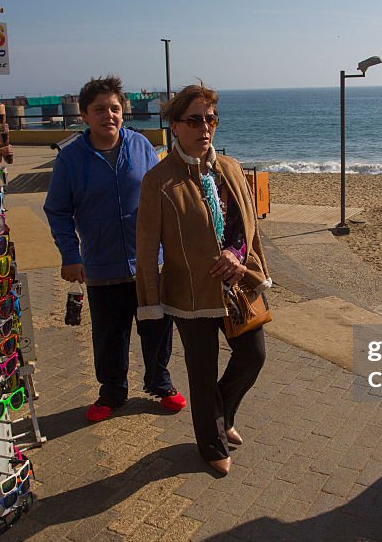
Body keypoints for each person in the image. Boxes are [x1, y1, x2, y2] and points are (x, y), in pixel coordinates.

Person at [135, 84, 271, 476]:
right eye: (194, 120)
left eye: (210, 119)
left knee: (253, 356)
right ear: (174, 126)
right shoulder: (158, 180)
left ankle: (223, 414)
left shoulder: (230, 168)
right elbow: (146, 249)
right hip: (189, 295)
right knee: (202, 370)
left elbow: (246, 226)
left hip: (236, 285)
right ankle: (211, 444)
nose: (205, 127)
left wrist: (237, 254)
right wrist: (150, 303)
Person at [44, 76, 185, 422]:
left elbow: (161, 199)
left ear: (123, 112)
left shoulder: (141, 146)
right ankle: (112, 391)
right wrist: (70, 255)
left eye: (115, 108)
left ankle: (159, 382)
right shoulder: (70, 159)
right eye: (100, 109)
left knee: (157, 328)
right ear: (84, 115)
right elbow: (57, 210)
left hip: (149, 264)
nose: (109, 115)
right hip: (101, 266)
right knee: (109, 335)